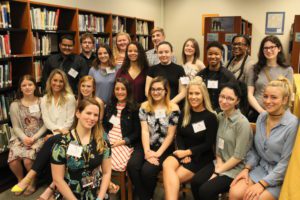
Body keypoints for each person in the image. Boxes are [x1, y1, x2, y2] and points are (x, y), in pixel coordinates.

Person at [229, 77, 299, 200]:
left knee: (255, 199)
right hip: (260, 168)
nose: (267, 101)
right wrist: (247, 168)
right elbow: (255, 149)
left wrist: (262, 184)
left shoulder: (293, 124)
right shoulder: (262, 117)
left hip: (280, 177)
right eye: (265, 96)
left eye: (274, 97)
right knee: (235, 192)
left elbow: (285, 163)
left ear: (285, 100)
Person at [11, 69, 76, 200]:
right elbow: (46, 120)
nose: (57, 83)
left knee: (50, 141)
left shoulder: (70, 98)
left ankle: (31, 178)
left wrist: (56, 133)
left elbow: (69, 121)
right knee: (52, 143)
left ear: (64, 83)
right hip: (54, 134)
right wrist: (57, 132)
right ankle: (51, 187)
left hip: (68, 134)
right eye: (55, 80)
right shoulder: (45, 99)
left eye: (60, 81)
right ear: (50, 82)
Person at [191, 82, 253, 200]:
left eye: (230, 98)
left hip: (235, 168)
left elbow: (238, 157)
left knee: (206, 190)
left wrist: (218, 171)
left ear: (237, 101)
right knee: (195, 182)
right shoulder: (220, 117)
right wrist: (218, 164)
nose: (224, 101)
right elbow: (219, 146)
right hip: (220, 162)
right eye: (222, 96)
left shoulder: (242, 123)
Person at [163, 77, 218, 200]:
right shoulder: (185, 112)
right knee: (167, 164)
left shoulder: (210, 117)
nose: (193, 97)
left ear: (203, 95)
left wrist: (188, 152)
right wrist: (183, 152)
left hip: (200, 157)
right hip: (184, 153)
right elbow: (179, 135)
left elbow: (208, 144)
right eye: (190, 93)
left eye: (197, 93)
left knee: (172, 178)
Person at [127, 77, 180, 200]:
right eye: (153, 89)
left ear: (166, 91)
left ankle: (143, 195)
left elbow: (171, 135)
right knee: (132, 166)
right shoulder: (144, 106)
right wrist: (146, 152)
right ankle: (145, 196)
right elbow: (144, 131)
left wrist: (157, 154)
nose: (156, 92)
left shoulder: (174, 108)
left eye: (159, 89)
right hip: (145, 144)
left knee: (147, 171)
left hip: (164, 147)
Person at [51, 98, 111, 200]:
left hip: (96, 194)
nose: (92, 118)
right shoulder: (62, 143)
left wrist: (100, 198)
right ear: (78, 113)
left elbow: (106, 172)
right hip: (70, 195)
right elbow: (57, 179)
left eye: (95, 115)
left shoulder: (102, 140)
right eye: (88, 113)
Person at [9, 75, 47, 196]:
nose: (27, 87)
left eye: (30, 84)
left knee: (27, 160)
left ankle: (32, 182)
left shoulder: (42, 101)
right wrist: (24, 138)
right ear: (20, 88)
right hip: (21, 137)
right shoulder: (15, 105)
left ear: (35, 86)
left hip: (38, 136)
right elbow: (15, 127)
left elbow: (46, 124)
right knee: (13, 160)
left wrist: (34, 138)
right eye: (24, 85)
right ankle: (20, 180)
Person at [103, 78, 141, 190]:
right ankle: (109, 185)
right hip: (108, 139)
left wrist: (122, 141)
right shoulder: (110, 106)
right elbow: (104, 125)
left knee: (113, 161)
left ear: (128, 90)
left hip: (124, 142)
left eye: (123, 89)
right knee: (95, 156)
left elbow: (137, 132)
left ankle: (111, 187)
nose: (119, 92)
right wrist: (105, 139)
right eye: (117, 89)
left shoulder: (134, 108)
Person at [247, 35, 294, 122]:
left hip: (279, 115)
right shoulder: (254, 68)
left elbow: (289, 96)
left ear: (279, 48)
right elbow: (250, 94)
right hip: (257, 113)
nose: (268, 50)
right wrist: (261, 111)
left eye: (272, 47)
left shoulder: (288, 70)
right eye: (265, 48)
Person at [196, 41, 236, 112]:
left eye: (216, 54)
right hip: (203, 112)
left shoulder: (229, 76)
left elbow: (232, 98)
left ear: (221, 55)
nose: (213, 57)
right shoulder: (200, 75)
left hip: (223, 113)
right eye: (210, 54)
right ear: (206, 55)